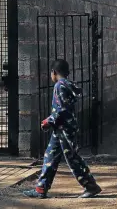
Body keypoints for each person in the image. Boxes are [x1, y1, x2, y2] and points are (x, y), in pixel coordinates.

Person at [23, 59, 101, 199]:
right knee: (50, 157)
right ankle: (41, 189)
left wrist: (48, 121)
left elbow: (61, 111)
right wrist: (52, 120)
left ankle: (91, 186)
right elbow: (62, 109)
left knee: (72, 158)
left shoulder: (59, 86)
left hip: (64, 130)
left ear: (54, 72)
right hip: (61, 129)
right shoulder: (65, 85)